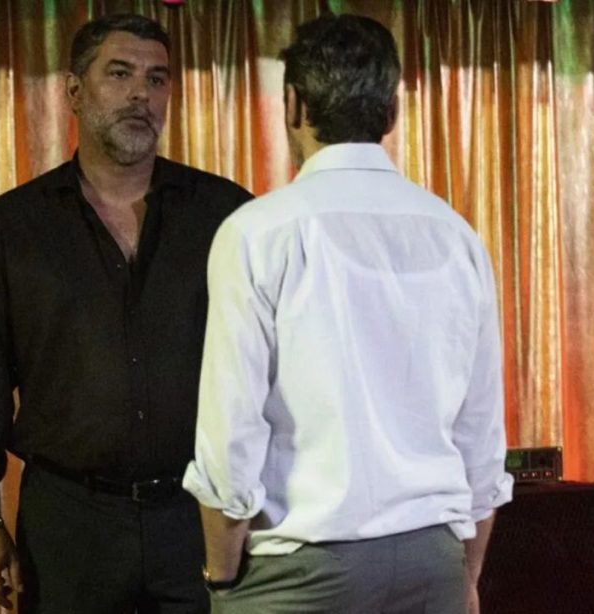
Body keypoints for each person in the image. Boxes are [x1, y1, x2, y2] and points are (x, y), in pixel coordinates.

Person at [182, 14, 513, 614]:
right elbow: (481, 437)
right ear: (392, 111)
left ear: (293, 104)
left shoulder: (256, 233)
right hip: (433, 562)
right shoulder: (456, 235)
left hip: (300, 573)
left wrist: (221, 579)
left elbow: (230, 438)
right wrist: (463, 578)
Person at [0, 13, 253, 613]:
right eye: (120, 74)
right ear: (73, 90)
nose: (142, 94)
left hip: (198, 515)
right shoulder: (12, 228)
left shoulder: (227, 215)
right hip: (69, 524)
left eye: (157, 79)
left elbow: (269, 371)